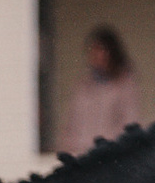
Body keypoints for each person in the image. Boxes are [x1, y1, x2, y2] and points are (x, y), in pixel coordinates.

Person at [57, 25, 139, 154]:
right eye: (92, 50)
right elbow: (71, 124)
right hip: (81, 155)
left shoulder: (123, 85)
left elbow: (130, 123)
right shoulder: (83, 85)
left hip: (109, 156)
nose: (95, 54)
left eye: (99, 50)